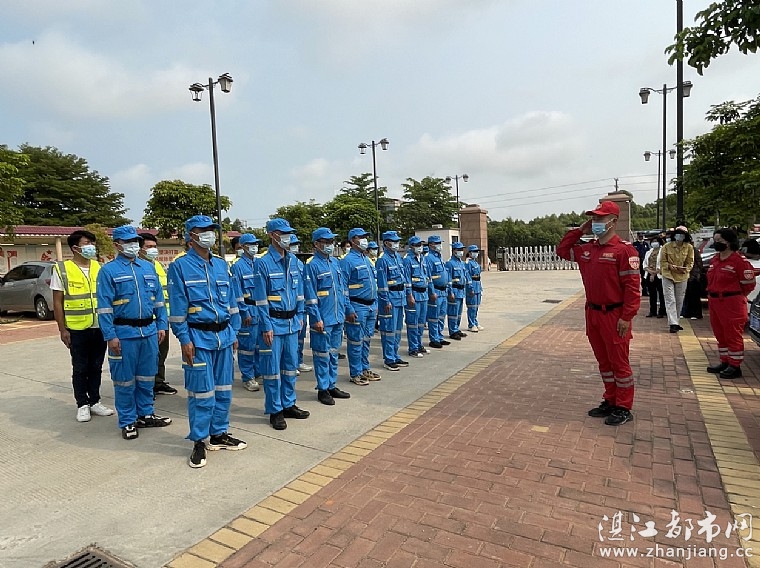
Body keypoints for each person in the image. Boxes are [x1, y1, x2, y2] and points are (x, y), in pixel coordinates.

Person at [168, 215, 246, 468]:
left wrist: (234, 332)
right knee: (201, 393)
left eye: (211, 230)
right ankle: (199, 440)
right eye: (203, 230)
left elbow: (231, 302)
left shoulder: (221, 265)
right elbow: (177, 308)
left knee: (223, 390)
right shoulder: (180, 267)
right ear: (191, 236)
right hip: (198, 338)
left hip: (224, 337)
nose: (209, 235)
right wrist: (184, 339)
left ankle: (219, 434)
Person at [557, 200, 641, 426]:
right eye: (593, 218)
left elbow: (633, 288)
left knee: (619, 363)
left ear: (613, 221)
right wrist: (579, 231)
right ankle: (610, 399)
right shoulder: (587, 250)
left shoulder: (624, 251)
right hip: (593, 313)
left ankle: (623, 407)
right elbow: (562, 250)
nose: (595, 222)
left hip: (615, 315)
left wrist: (627, 317)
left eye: (600, 218)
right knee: (604, 362)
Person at [97, 225, 171, 440]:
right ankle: (128, 420)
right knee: (124, 380)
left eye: (135, 241)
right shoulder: (108, 271)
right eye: (128, 242)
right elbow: (104, 307)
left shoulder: (148, 268)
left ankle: (146, 414)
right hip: (124, 333)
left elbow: (159, 300)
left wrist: (162, 325)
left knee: (147, 376)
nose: (133, 245)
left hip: (149, 331)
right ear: (117, 245)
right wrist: (110, 335)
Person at [253, 218, 310, 430]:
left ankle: (289, 403)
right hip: (273, 324)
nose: (286, 237)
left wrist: (301, 315)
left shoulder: (295, 262)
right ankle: (275, 409)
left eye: (288, 233)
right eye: (282, 233)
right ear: (272, 235)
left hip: (292, 323)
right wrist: (265, 326)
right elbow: (260, 299)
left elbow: (300, 293)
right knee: (272, 371)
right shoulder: (262, 263)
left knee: (290, 368)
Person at [52, 229, 114, 422]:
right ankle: (82, 404)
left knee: (96, 366)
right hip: (77, 328)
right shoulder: (62, 269)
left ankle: (95, 401)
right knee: (80, 368)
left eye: (92, 243)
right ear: (75, 248)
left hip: (100, 326)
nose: (91, 247)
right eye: (87, 243)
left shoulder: (100, 267)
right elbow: (57, 302)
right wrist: (62, 329)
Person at [304, 227, 352, 404]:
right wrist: (316, 318)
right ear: (317, 244)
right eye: (327, 242)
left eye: (332, 241)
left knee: (333, 353)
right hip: (323, 318)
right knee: (322, 355)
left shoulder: (335, 263)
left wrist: (347, 309)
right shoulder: (311, 265)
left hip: (337, 316)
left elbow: (342, 289)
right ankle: (323, 388)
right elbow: (310, 295)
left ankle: (332, 385)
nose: (330, 245)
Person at [705, 228, 757, 379]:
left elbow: (749, 284)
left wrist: (735, 296)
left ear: (728, 242)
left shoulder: (739, 261)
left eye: (719, 241)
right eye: (715, 240)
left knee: (732, 334)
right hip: (715, 301)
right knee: (720, 333)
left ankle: (735, 365)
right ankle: (725, 361)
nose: (716, 243)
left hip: (731, 302)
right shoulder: (715, 260)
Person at [138, 232, 178, 397]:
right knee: (147, 356)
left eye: (154, 246)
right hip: (146, 320)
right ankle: (146, 387)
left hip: (162, 318)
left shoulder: (157, 266)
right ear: (140, 249)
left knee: (162, 352)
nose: (153, 250)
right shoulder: (137, 268)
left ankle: (158, 382)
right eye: (148, 247)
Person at [341, 228, 380, 386]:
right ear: (352, 241)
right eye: (361, 237)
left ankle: (365, 368)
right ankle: (356, 372)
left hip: (370, 306)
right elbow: (343, 288)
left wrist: (375, 304)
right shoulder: (347, 261)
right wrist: (348, 308)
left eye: (365, 237)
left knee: (366, 340)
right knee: (355, 341)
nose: (364, 240)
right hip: (357, 306)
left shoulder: (367, 259)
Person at [230, 233, 262, 392]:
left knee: (259, 345)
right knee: (247, 347)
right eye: (251, 244)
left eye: (256, 244)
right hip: (248, 310)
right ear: (243, 247)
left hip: (261, 309)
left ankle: (258, 372)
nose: (254, 247)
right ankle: (248, 377)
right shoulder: (237, 266)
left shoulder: (260, 263)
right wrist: (243, 312)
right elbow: (236, 292)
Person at [375, 230, 410, 371]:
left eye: (397, 241)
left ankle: (395, 355)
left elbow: (403, 278)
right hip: (390, 299)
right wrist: (385, 300)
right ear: (386, 243)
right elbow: (382, 284)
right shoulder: (383, 260)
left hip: (400, 297)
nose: (397, 244)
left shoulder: (398, 258)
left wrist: (407, 294)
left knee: (397, 330)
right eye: (394, 241)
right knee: (389, 330)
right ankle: (389, 358)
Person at [660, 226, 695, 333]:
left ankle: (676, 321)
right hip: (668, 275)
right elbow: (662, 262)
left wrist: (685, 269)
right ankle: (673, 323)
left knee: (679, 300)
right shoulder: (666, 246)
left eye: (682, 234)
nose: (680, 236)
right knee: (670, 299)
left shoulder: (689, 247)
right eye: (678, 234)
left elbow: (690, 262)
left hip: (682, 276)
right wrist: (669, 266)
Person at [290, 234, 313, 376]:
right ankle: (291, 364)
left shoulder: (299, 263)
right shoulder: (283, 263)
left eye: (296, 244)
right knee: (290, 340)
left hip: (301, 307)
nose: (295, 247)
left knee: (300, 337)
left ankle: (298, 361)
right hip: (289, 308)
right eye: (293, 244)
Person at [403, 236, 429, 358]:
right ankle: (413, 348)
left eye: (421, 245)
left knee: (421, 322)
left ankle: (419, 345)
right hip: (414, 294)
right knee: (413, 323)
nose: (420, 247)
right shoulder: (408, 260)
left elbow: (426, 276)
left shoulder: (422, 258)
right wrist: (409, 295)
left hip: (423, 294)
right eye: (417, 245)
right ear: (411, 246)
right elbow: (407, 279)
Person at [424, 235, 451, 349]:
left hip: (443, 291)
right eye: (437, 243)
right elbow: (428, 277)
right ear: (431, 245)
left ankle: (439, 336)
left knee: (441, 316)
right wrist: (431, 292)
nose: (440, 245)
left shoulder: (439, 257)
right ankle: (434, 339)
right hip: (435, 291)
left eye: (440, 243)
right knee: (433, 317)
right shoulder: (428, 258)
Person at [445, 242, 470, 340]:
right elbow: (448, 279)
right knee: (453, 313)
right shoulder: (450, 263)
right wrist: (450, 292)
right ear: (454, 251)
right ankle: (452, 331)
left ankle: (456, 328)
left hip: (461, 291)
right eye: (459, 250)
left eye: (462, 249)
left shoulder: (461, 263)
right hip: (454, 290)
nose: (461, 251)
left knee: (459, 313)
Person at [681, 234, 704, 320]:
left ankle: (696, 313)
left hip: (693, 276)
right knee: (686, 295)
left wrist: (695, 275)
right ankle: (686, 313)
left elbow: (699, 263)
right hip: (684, 276)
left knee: (694, 296)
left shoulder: (694, 250)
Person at [643, 237, 666, 318]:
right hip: (649, 274)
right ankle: (652, 311)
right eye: (653, 241)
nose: (654, 243)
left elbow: (662, 264)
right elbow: (644, 264)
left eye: (656, 241)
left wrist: (654, 273)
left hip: (659, 275)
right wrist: (650, 272)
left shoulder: (663, 251)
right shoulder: (648, 252)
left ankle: (662, 311)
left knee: (661, 294)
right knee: (652, 294)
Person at [465, 244, 484, 332]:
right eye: (474, 251)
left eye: (477, 251)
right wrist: (470, 288)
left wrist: (480, 287)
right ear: (470, 253)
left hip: (477, 285)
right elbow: (468, 276)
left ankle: (475, 322)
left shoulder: (475, 262)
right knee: (471, 307)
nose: (476, 253)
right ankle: (471, 324)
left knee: (476, 307)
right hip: (472, 285)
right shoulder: (468, 263)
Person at [632, 232, 650, 297]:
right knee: (636, 277)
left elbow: (648, 253)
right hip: (636, 262)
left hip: (644, 263)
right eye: (639, 236)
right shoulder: (634, 244)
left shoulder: (645, 244)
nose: (641, 237)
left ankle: (645, 291)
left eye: (642, 236)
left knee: (644, 277)